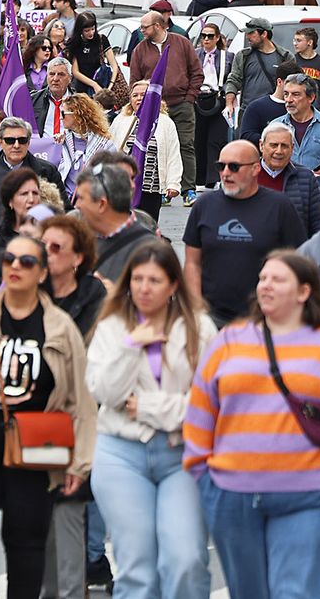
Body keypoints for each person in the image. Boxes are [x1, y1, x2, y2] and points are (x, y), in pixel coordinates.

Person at [0, 234, 98, 599]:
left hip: (37, 444)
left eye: (26, 262)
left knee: (26, 540)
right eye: (9, 259)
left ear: (42, 273)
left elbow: (80, 402)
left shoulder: (59, 327)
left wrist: (79, 464)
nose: (15, 267)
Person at [185, 251, 320, 598]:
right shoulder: (230, 341)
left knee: (294, 593)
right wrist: (202, 473)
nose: (266, 285)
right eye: (263, 278)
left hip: (310, 495)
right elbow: (201, 408)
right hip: (232, 492)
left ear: (304, 292)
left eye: (278, 279)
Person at [86, 240, 215, 599]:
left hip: (182, 454)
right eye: (137, 279)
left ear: (174, 284)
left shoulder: (200, 329)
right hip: (121, 454)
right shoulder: (113, 326)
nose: (143, 288)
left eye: (154, 280)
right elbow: (105, 393)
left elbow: (209, 403)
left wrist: (147, 408)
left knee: (186, 560)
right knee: (136, 567)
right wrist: (132, 346)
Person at [184, 139, 307, 327]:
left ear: (255, 169)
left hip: (263, 317)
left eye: (234, 167)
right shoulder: (204, 205)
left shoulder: (279, 206)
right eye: (220, 166)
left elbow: (296, 262)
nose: (225, 173)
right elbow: (192, 263)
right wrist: (196, 308)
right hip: (212, 318)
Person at [107, 80, 184, 219]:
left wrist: (173, 183)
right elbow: (109, 149)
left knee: (148, 227)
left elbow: (173, 154)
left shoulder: (165, 122)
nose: (139, 98)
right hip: (124, 187)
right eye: (135, 95)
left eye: (144, 94)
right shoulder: (121, 120)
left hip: (150, 188)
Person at [0, 116, 65, 210]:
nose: (16, 146)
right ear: (0, 143)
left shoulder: (48, 171)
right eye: (10, 141)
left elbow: (64, 209)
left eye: (22, 140)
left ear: (28, 143)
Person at [259, 121, 320, 237]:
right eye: (274, 145)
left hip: (294, 251)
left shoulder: (305, 177)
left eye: (284, 146)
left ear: (292, 148)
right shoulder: (247, 174)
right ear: (261, 145)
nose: (279, 151)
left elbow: (318, 222)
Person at [225, 17, 292, 125]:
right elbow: (234, 80)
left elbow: (292, 85)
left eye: (251, 33)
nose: (247, 37)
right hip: (248, 111)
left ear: (264, 34)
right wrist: (229, 104)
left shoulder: (285, 57)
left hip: (276, 113)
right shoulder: (243, 56)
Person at [194, 21, 234, 189]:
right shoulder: (195, 54)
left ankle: (213, 178)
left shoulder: (227, 56)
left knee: (216, 140)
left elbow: (232, 78)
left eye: (210, 36)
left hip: (218, 99)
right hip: (198, 99)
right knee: (198, 139)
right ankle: (199, 179)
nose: (206, 39)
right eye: (203, 36)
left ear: (217, 38)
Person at [275, 73, 320, 177]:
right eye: (286, 94)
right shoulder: (276, 126)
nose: (289, 100)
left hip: (319, 191)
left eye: (296, 94)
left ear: (311, 98)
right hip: (285, 191)